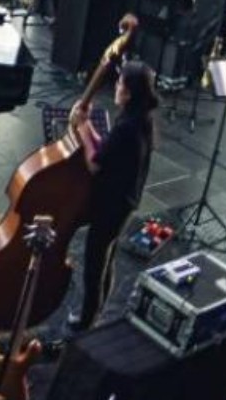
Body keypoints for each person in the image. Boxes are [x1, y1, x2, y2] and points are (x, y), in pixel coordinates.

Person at [66, 62, 159, 334]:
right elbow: (106, 149)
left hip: (112, 204)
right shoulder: (139, 118)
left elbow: (95, 162)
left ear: (128, 92)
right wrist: (88, 129)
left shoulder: (127, 126)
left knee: (95, 261)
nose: (116, 87)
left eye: (119, 84)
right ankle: (97, 312)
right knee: (106, 255)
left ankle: (86, 321)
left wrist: (82, 126)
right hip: (125, 201)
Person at [70, 14, 139, 123]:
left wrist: (78, 123)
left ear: (129, 94)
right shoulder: (143, 122)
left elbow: (102, 141)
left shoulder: (124, 125)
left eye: (120, 83)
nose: (116, 85)